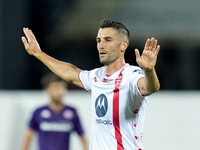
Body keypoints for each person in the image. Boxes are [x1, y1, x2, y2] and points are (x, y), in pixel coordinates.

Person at [21, 19, 160, 150]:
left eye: (108, 40)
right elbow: (70, 73)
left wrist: (149, 70)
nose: (101, 45)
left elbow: (149, 87)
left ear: (123, 45)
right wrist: (38, 53)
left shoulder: (131, 75)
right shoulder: (96, 76)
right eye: (98, 40)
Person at [21, 73, 88, 150]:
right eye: (55, 88)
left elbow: (82, 137)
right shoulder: (38, 112)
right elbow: (28, 136)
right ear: (47, 90)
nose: (59, 91)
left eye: (61, 87)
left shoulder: (72, 112)